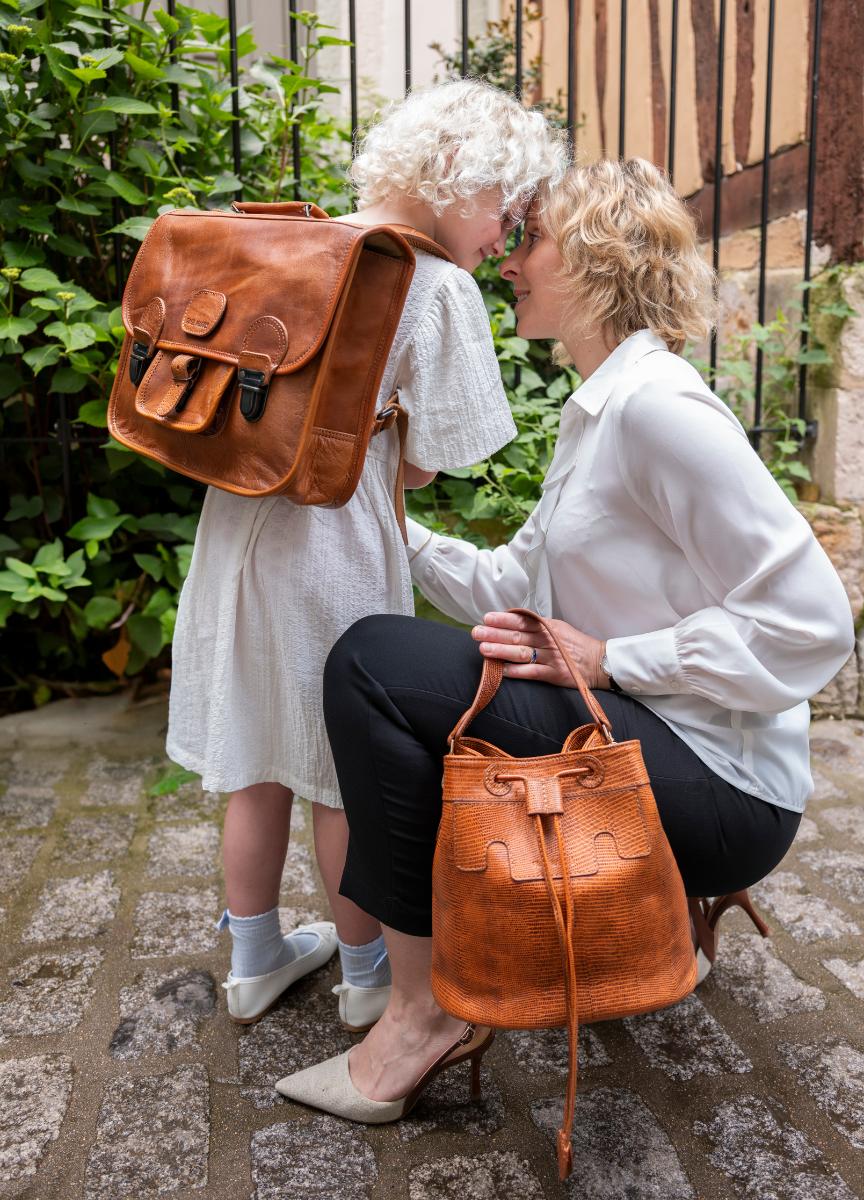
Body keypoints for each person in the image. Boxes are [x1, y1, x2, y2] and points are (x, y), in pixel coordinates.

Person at [275, 158, 855, 1119]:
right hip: (659, 739)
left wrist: (614, 660)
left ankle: (423, 1012)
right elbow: (512, 584)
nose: (509, 260)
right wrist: (380, 517)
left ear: (595, 259)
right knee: (394, 660)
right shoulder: (601, 412)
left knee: (374, 664)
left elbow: (811, 620)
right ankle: (479, 960)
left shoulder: (657, 410)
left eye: (531, 239)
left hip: (730, 792)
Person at [165, 80, 567, 1029]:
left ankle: (255, 959)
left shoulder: (291, 242)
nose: (504, 238)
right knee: (342, 768)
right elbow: (430, 463)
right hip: (334, 554)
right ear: (460, 181)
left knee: (255, 758)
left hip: (235, 536)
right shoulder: (433, 287)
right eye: (504, 210)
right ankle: (365, 976)